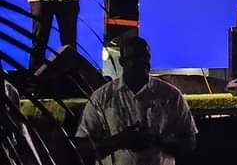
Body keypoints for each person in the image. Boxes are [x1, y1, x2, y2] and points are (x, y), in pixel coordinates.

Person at [76, 35, 197, 165]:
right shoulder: (102, 97)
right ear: (122, 62)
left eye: (145, 57)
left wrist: (156, 140)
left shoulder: (171, 96)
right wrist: (120, 140)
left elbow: (190, 142)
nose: (142, 62)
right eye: (135, 58)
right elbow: (83, 147)